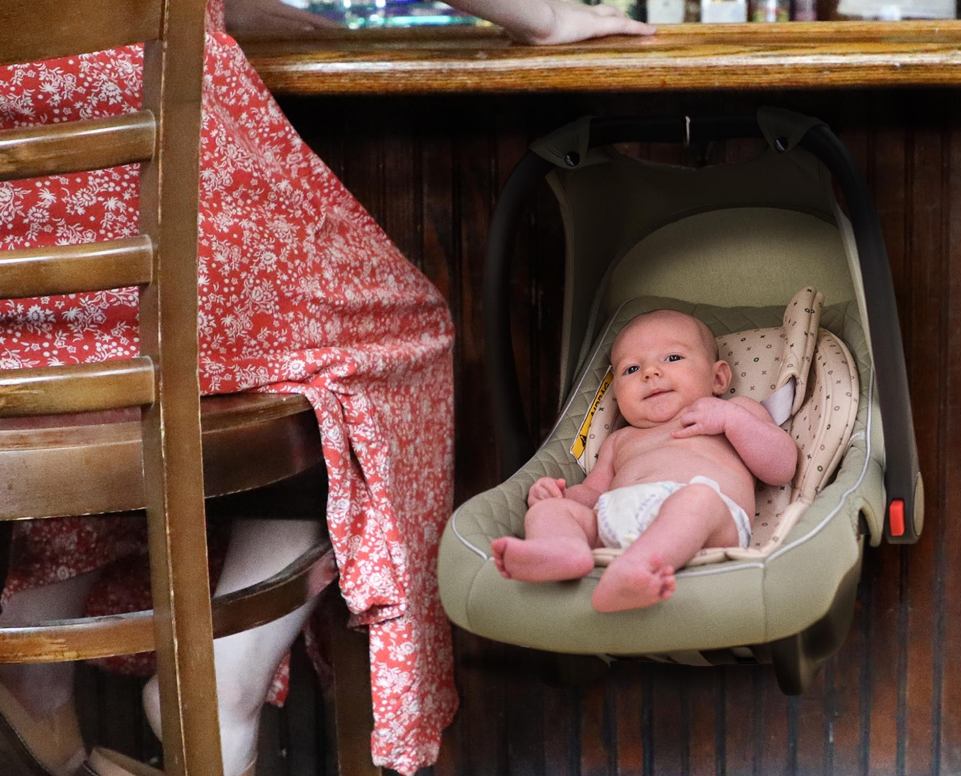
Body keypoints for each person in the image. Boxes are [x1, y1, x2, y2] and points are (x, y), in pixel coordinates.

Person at [0, 2, 655, 776]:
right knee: (387, 346)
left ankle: (36, 656)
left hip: (23, 289)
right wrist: (540, 17)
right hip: (159, 194)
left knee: (105, 368)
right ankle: (220, 683)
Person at [491, 309, 798, 612]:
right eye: (632, 370)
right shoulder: (619, 440)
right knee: (548, 511)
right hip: (614, 518)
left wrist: (733, 420)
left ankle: (638, 567)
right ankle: (563, 550)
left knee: (698, 499)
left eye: (673, 358)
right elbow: (592, 493)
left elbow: (782, 467)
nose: (651, 372)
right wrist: (560, 497)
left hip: (706, 522)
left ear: (718, 378)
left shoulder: (736, 411)